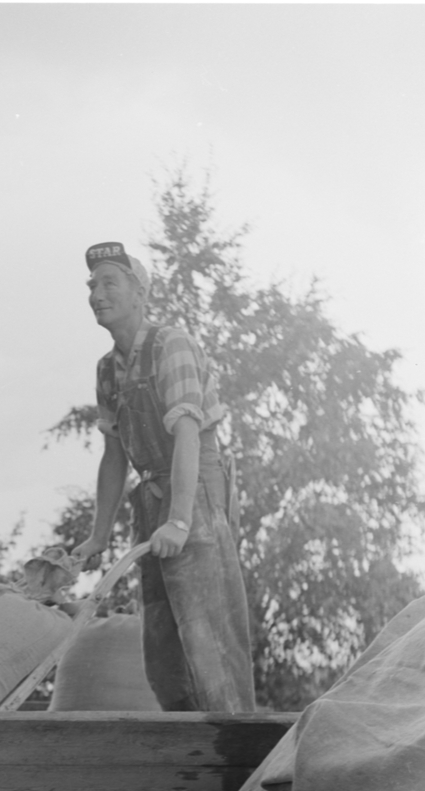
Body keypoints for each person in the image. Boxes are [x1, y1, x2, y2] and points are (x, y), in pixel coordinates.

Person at [71, 241, 255, 712]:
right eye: (92, 285)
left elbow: (189, 435)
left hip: (194, 490)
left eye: (110, 283)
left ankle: (236, 765)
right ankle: (188, 766)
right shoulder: (108, 370)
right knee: (163, 652)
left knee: (209, 641)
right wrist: (97, 537)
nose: (96, 293)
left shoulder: (170, 344)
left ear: (139, 292)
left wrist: (180, 519)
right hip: (151, 497)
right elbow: (114, 455)